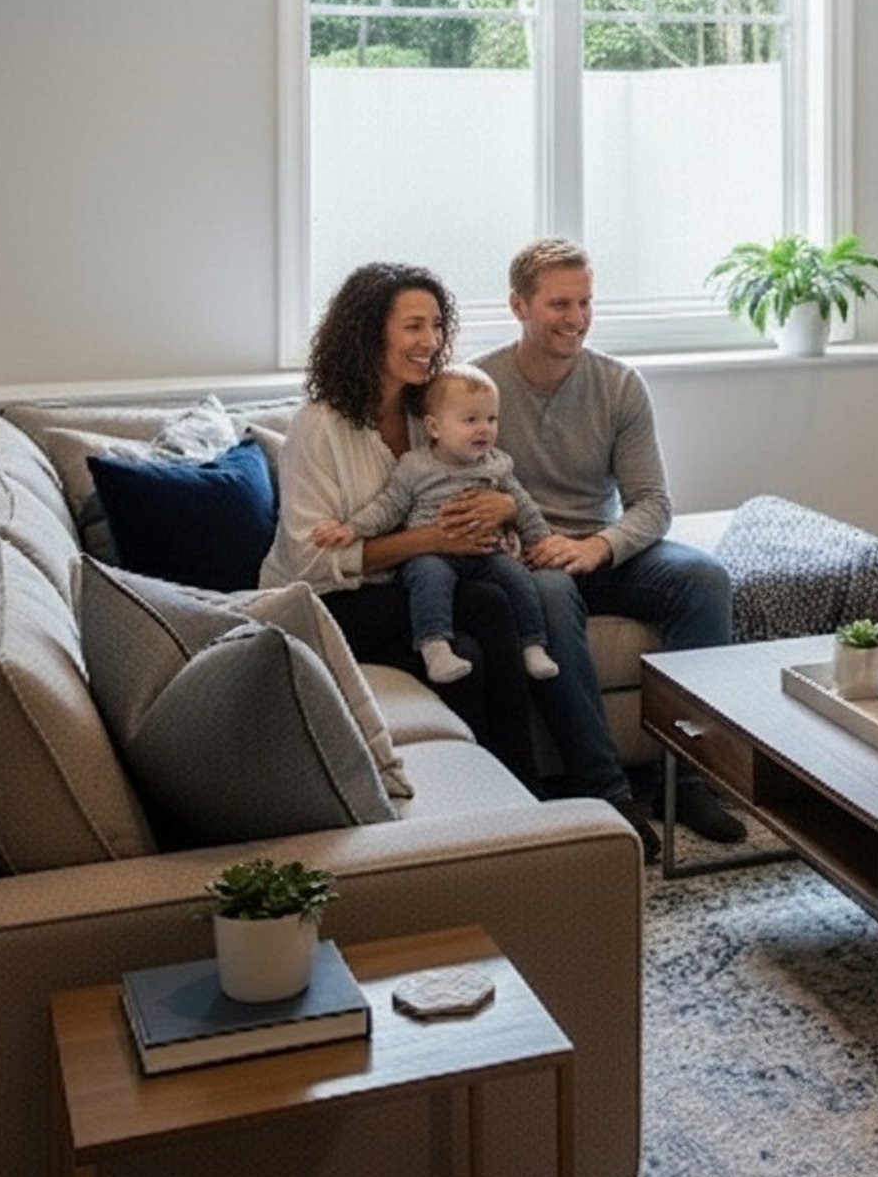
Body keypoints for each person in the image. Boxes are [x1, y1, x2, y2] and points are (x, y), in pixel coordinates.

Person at [478, 237, 747, 860]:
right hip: (529, 559)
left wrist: (600, 545)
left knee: (704, 578)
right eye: (559, 304)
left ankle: (687, 781)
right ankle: (607, 791)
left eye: (585, 302)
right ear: (519, 306)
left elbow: (653, 503)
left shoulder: (619, 386)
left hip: (601, 549)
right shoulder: (480, 384)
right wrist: (522, 542)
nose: (575, 318)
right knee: (547, 594)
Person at [261, 262, 542, 788]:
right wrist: (430, 540)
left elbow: (482, 474)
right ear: (370, 333)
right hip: (322, 603)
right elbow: (312, 559)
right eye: (414, 326)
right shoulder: (320, 426)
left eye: (437, 326)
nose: (431, 341)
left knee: (486, 622)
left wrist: (502, 509)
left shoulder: (428, 413)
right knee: (481, 617)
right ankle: (509, 788)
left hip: (410, 586)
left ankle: (510, 788)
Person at [311, 362, 560, 688]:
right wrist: (352, 529)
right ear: (434, 427)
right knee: (429, 578)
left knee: (518, 578)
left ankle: (532, 644)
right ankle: (434, 646)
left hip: (485, 553)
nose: (484, 429)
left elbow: (521, 505)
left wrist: (541, 541)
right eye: (470, 420)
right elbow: (388, 507)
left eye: (491, 419)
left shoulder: (497, 465)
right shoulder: (416, 467)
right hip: (431, 555)